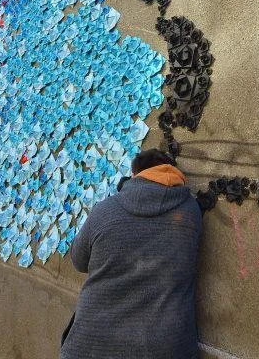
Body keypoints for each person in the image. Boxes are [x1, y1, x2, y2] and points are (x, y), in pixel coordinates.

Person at [60, 149, 202, 359]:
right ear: (172, 173)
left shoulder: (104, 210)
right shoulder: (190, 211)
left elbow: (78, 261)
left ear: (134, 174)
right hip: (164, 346)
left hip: (94, 342)